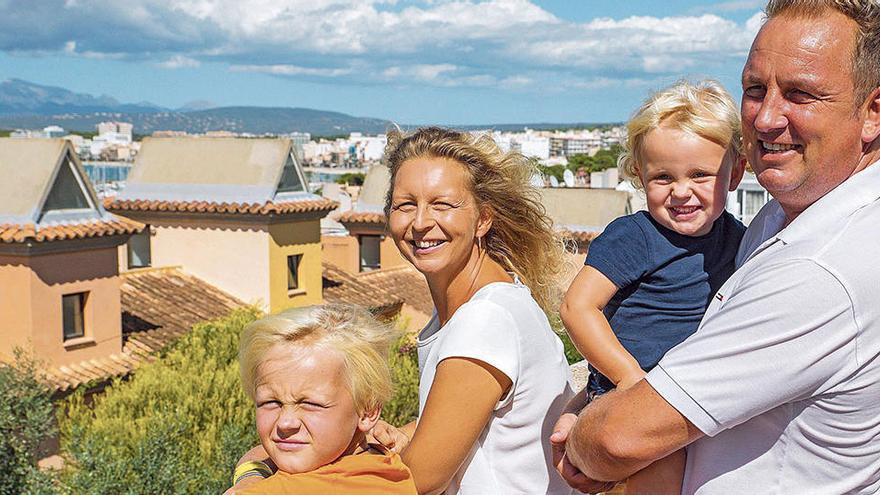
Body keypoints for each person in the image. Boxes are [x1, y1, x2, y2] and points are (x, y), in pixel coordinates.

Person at [552, 1, 880, 493]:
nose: (767, 118)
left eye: (801, 94)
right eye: (754, 89)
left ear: (873, 113)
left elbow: (619, 440)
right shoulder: (777, 217)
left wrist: (586, 432)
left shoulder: (820, 267)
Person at [560, 79, 745, 494]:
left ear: (735, 173)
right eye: (663, 177)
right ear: (639, 175)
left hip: (685, 397)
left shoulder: (739, 239)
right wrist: (630, 381)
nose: (681, 191)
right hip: (634, 398)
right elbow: (577, 307)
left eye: (700, 175)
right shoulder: (634, 236)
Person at [372, 126, 575, 494]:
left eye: (442, 204)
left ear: (483, 219)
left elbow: (421, 479)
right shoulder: (486, 304)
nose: (420, 222)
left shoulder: (486, 320)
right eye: (405, 204)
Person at [230, 304, 417, 495]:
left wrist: (249, 479)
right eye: (271, 402)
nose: (285, 423)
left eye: (310, 404)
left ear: (368, 411)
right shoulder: (385, 465)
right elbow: (259, 452)